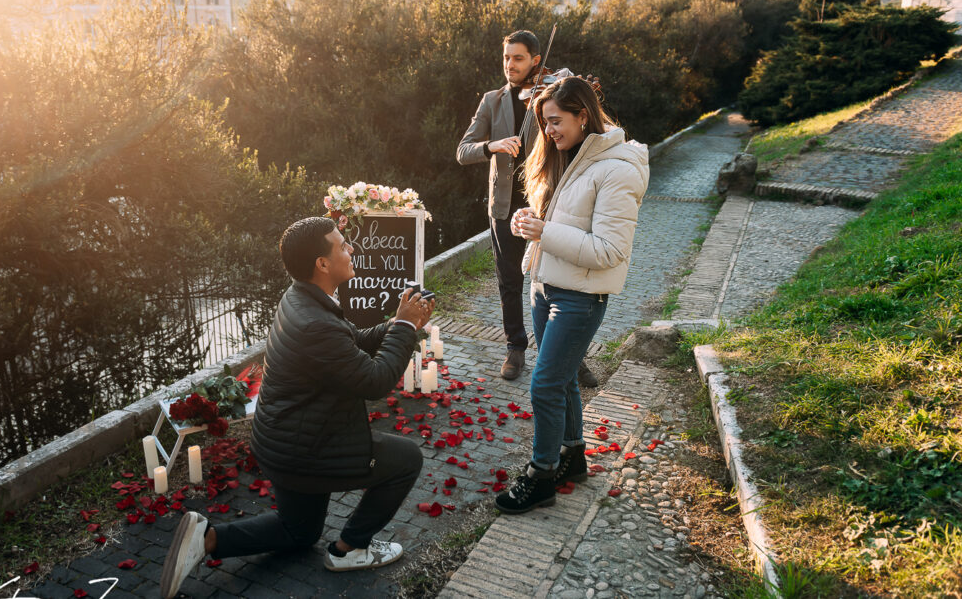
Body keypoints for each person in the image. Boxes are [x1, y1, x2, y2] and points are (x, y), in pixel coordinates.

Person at [160, 217, 434, 598]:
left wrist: (399, 324)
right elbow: (374, 381)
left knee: (299, 532)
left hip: (281, 442)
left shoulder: (301, 298)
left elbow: (351, 343)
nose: (351, 249)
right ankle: (350, 548)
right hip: (308, 449)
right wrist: (404, 328)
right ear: (322, 264)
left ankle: (205, 539)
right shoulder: (316, 323)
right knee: (406, 459)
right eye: (342, 245)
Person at [495, 77, 649, 514]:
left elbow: (610, 251)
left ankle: (541, 476)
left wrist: (545, 231)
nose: (549, 131)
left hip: (579, 298)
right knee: (560, 381)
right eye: (544, 123)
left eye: (556, 121)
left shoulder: (618, 168)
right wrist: (529, 222)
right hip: (545, 286)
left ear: (584, 115)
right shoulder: (567, 158)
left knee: (545, 385)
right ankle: (573, 456)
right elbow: (560, 224)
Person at [457, 30, 600, 386]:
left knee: (556, 280)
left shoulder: (554, 92)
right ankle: (515, 347)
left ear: (537, 61)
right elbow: (463, 151)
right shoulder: (492, 100)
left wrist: (583, 95)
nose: (510, 65)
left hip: (548, 202)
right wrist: (492, 145)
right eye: (506, 58)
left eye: (518, 58)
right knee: (509, 281)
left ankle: (570, 356)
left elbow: (578, 134)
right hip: (504, 206)